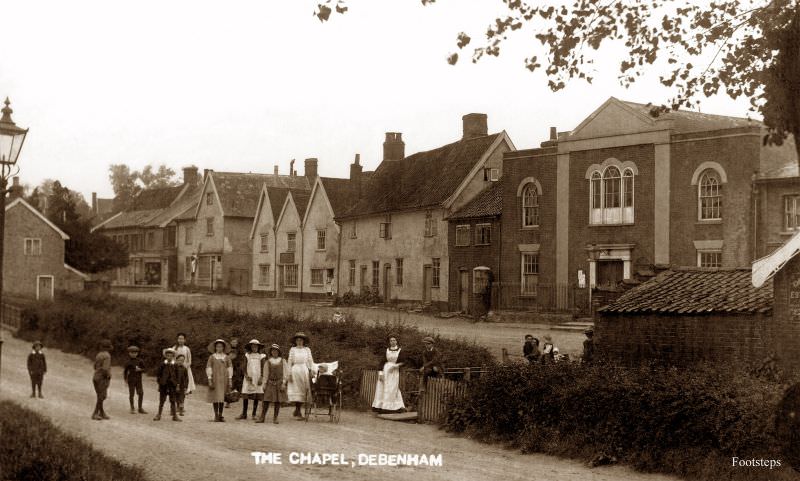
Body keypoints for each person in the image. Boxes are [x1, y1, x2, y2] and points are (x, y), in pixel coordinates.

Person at [372, 334, 408, 412]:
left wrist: (395, 366)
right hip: (385, 370)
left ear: (397, 341)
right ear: (389, 342)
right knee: (382, 387)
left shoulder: (400, 350)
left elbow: (404, 362)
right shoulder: (387, 350)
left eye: (394, 340)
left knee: (392, 388)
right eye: (391, 340)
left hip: (394, 371)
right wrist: (380, 374)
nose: (392, 342)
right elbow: (381, 362)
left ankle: (391, 407)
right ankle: (381, 406)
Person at [257, 344, 288, 424]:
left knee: (277, 401)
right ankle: (262, 417)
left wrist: (284, 383)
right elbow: (265, 373)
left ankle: (275, 418)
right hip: (270, 382)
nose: (274, 352)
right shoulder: (268, 361)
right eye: (273, 351)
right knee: (266, 400)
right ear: (271, 352)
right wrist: (264, 384)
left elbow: (286, 373)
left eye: (276, 351)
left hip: (279, 382)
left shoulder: (283, 361)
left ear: (278, 352)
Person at [287, 332, 314, 420]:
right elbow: (290, 361)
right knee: (296, 390)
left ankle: (297, 410)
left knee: (304, 390)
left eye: (301, 340)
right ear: (295, 341)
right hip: (295, 370)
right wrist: (289, 373)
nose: (299, 342)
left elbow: (310, 361)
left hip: (304, 370)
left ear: (303, 341)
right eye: (297, 340)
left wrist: (311, 370)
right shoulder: (293, 349)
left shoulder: (307, 349)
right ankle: (298, 410)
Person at [206, 339, 233, 422]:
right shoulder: (212, 357)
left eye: (221, 347)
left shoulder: (227, 357)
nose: (219, 348)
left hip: (224, 379)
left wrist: (230, 379)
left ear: (223, 348)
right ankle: (216, 415)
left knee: (222, 397)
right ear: (215, 348)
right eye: (218, 346)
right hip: (215, 379)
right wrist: (210, 379)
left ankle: (220, 415)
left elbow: (230, 368)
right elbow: (209, 367)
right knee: (215, 397)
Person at [238, 339, 266, 420]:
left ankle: (254, 414)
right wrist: (246, 375)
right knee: (246, 395)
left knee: (256, 395)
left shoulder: (261, 356)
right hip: (248, 378)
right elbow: (244, 366)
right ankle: (244, 413)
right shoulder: (247, 355)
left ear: (258, 347)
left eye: (256, 346)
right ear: (250, 347)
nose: (254, 347)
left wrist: (261, 377)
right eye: (253, 346)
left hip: (257, 378)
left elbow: (263, 367)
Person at [154, 348, 181, 422]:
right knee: (162, 400)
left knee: (173, 400)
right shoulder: (162, 364)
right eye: (168, 355)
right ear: (165, 356)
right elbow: (158, 374)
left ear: (173, 356)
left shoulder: (175, 365)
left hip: (172, 385)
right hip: (164, 385)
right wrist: (160, 382)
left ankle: (174, 415)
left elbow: (178, 375)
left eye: (171, 356)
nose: (169, 357)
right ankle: (159, 414)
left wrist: (177, 384)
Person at [92, 339, 113, 420]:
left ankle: (102, 412)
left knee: (100, 396)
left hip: (95, 377)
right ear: (108, 347)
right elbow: (105, 369)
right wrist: (108, 376)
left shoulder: (99, 354)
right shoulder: (107, 356)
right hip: (102, 378)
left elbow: (94, 366)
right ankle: (95, 413)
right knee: (102, 396)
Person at [123, 345, 147, 414]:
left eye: (135, 352)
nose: (133, 354)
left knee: (141, 393)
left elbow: (145, 370)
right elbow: (125, 371)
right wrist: (125, 379)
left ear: (137, 353)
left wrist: (140, 369)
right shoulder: (128, 362)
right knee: (131, 394)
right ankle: (132, 408)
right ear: (129, 353)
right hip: (131, 380)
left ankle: (140, 408)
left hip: (138, 380)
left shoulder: (140, 361)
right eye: (132, 352)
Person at [228, 337, 244, 409]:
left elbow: (240, 359)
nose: (234, 343)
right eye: (233, 342)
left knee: (236, 383)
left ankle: (235, 398)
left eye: (235, 342)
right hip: (229, 367)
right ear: (230, 342)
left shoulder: (239, 351)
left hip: (236, 368)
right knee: (229, 384)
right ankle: (228, 401)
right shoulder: (227, 349)